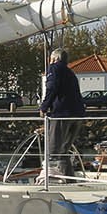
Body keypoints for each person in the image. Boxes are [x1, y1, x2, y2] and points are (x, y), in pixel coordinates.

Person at [39, 49, 86, 178]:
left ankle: (49, 178)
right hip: (78, 113)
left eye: (50, 59)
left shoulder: (54, 68)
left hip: (62, 113)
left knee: (53, 149)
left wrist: (44, 107)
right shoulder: (70, 73)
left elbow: (52, 87)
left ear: (55, 59)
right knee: (64, 150)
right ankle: (69, 178)